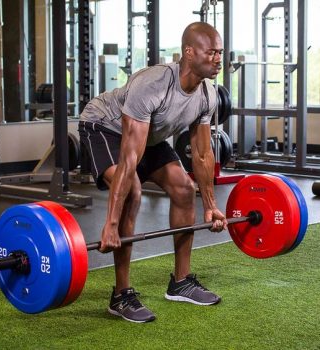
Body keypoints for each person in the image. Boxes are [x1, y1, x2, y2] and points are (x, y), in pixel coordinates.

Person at [79, 22, 228, 323]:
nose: (218, 59)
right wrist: (110, 224)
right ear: (189, 52)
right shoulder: (154, 84)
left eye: (220, 52)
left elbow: (201, 154)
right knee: (132, 189)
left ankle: (181, 281)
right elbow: (130, 155)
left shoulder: (207, 95)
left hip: (149, 135)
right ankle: (121, 295)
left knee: (185, 189)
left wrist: (211, 207)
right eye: (211, 52)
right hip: (103, 127)